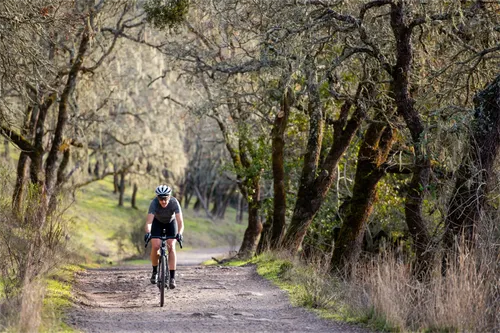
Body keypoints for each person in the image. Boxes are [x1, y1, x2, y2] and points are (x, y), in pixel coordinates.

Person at [144, 185, 184, 289]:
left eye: (165, 198)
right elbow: (149, 222)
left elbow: (180, 222)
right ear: (158, 198)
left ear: (169, 197)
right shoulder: (154, 203)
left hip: (171, 222)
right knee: (156, 246)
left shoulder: (174, 202)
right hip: (157, 223)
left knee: (171, 245)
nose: (163, 201)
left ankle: (172, 278)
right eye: (161, 199)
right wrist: (148, 232)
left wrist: (179, 233)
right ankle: (155, 271)